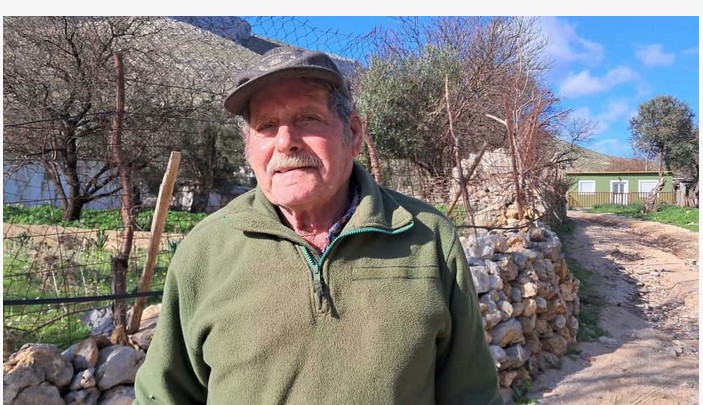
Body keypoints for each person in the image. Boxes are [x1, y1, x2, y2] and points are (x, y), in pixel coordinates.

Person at [133, 46, 502, 404]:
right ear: (248, 148)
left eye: (307, 119)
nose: (286, 143)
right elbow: (162, 396)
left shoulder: (427, 237)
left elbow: (472, 394)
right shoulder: (205, 251)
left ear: (352, 134)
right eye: (266, 126)